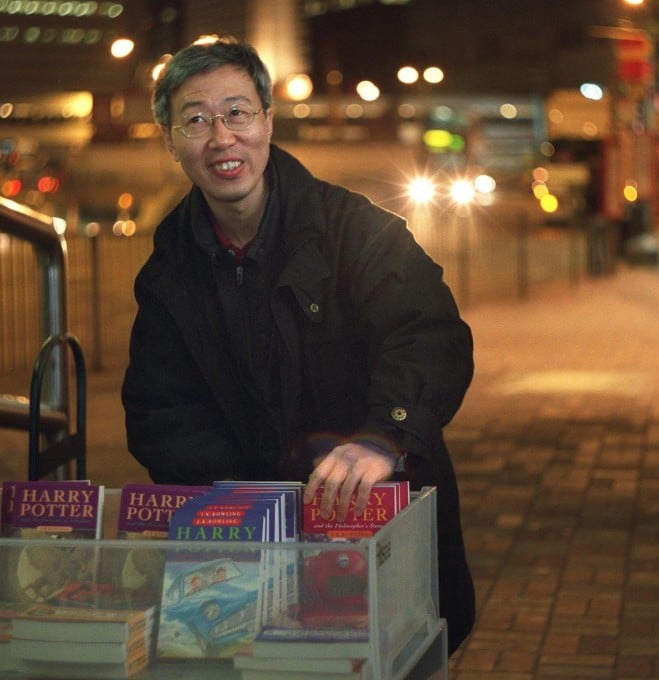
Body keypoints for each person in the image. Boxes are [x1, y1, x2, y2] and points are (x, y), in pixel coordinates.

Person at [121, 36, 476, 653]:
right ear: (170, 140)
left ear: (267, 119)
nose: (221, 137)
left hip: (380, 531)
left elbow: (429, 336)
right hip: (250, 566)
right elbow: (162, 410)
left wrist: (382, 436)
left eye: (237, 112)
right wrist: (247, 510)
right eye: (196, 120)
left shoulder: (356, 229)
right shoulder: (168, 267)